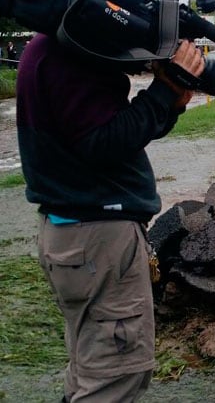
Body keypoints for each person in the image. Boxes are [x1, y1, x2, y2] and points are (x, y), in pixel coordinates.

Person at [16, 34, 204, 402]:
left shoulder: (50, 47)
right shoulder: (66, 53)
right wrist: (164, 93)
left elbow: (120, 133)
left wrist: (170, 98)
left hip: (76, 239)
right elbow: (103, 142)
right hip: (97, 241)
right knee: (114, 379)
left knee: (91, 372)